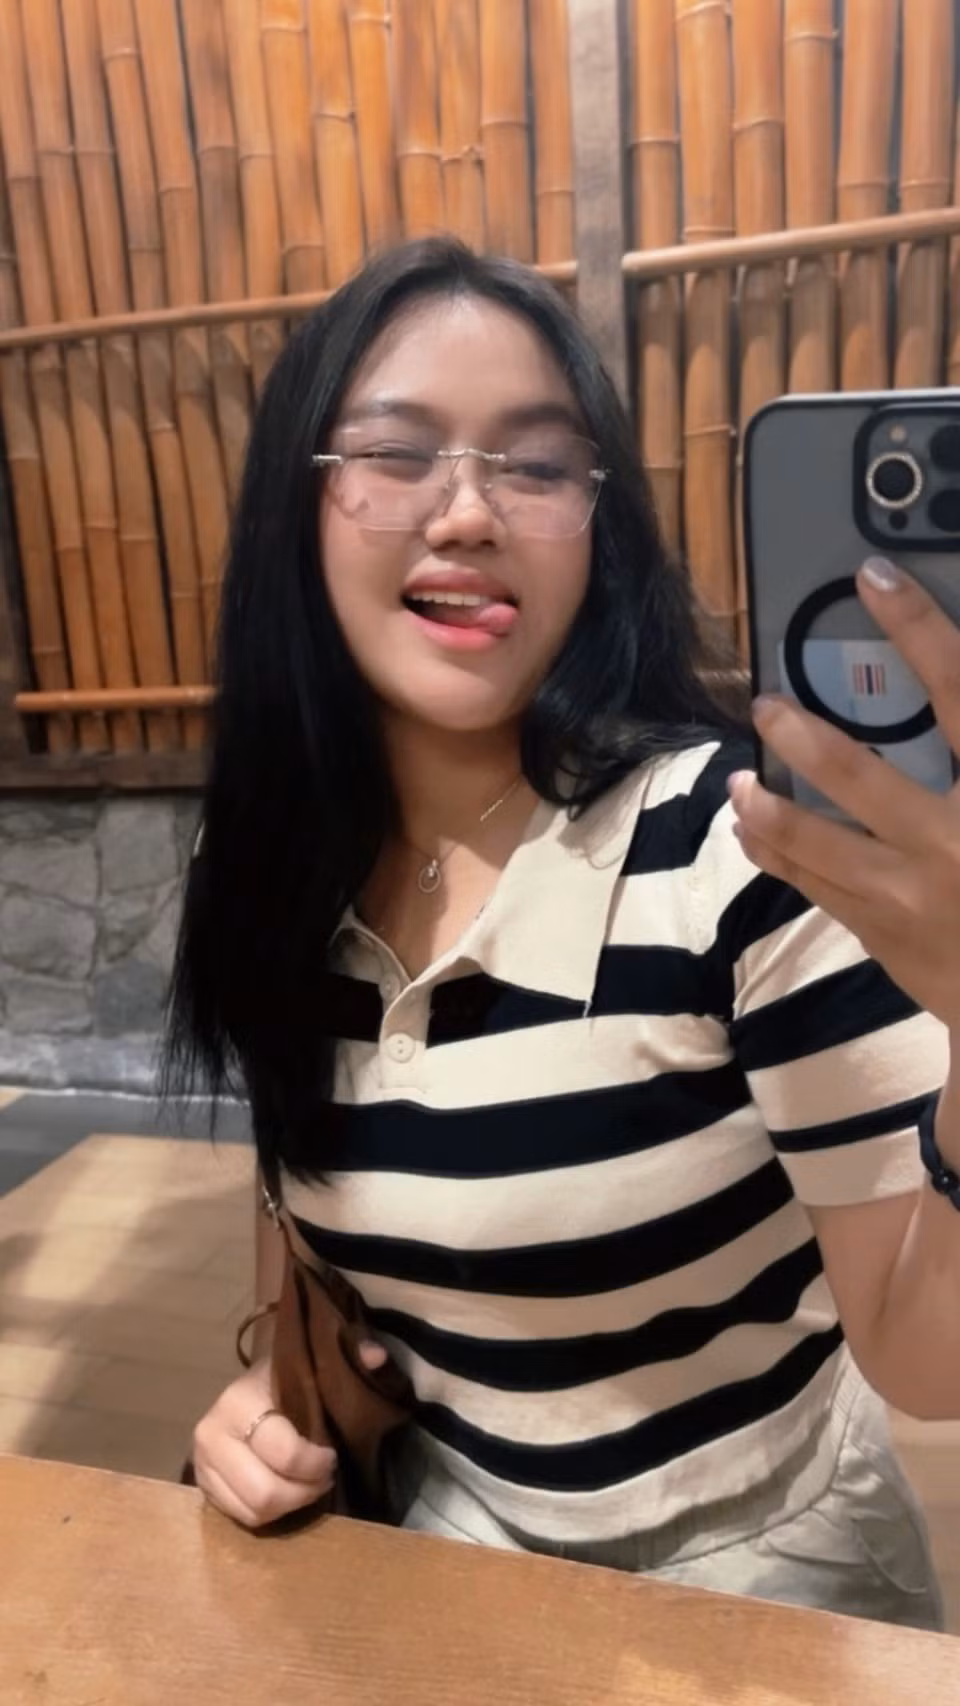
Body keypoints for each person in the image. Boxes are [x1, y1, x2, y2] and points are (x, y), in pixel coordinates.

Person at [165, 237, 959, 1631]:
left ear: (600, 525)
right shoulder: (272, 866)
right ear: (300, 504)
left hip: (768, 1587)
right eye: (395, 454)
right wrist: (267, 1398)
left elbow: (924, 1354)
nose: (469, 512)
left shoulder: (735, 845)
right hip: (448, 1562)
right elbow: (313, 1266)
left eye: (536, 466)